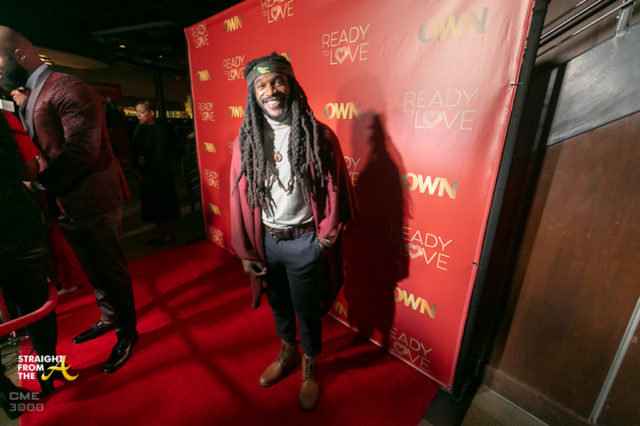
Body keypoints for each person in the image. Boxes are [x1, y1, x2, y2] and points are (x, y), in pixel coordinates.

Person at [0, 27, 138, 373]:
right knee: (93, 268)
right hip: (66, 200)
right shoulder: (34, 92)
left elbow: (82, 151)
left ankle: (127, 332)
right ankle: (109, 316)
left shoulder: (66, 87)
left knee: (110, 269)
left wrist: (37, 183)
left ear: (19, 54)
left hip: (94, 198)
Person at [230, 53, 353, 410]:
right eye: (261, 85)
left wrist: (324, 237)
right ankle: (288, 351)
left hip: (304, 241)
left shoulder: (319, 135)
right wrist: (246, 252)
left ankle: (310, 363)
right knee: (279, 304)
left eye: (277, 82)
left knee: (306, 309)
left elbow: (336, 189)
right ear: (253, 93)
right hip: (267, 241)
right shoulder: (246, 141)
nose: (270, 91)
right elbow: (237, 199)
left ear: (291, 84)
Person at [0, 111, 58, 418]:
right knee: (36, 303)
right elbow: (30, 170)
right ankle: (47, 373)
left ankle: (6, 394)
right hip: (13, 220)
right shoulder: (5, 120)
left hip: (14, 222)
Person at [132, 100, 179, 244]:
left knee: (165, 203)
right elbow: (135, 149)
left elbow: (160, 153)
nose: (138, 115)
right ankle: (159, 233)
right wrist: (139, 170)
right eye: (137, 112)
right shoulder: (139, 128)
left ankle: (168, 234)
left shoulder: (159, 129)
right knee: (153, 205)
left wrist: (148, 167)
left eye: (142, 112)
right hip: (147, 173)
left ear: (151, 113)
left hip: (161, 173)